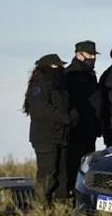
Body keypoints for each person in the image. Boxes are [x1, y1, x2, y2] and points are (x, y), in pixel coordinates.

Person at [23, 53, 75, 206]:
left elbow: (67, 105)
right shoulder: (39, 85)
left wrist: (73, 115)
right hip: (45, 137)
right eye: (55, 66)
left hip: (61, 135)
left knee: (62, 174)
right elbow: (41, 109)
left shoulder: (61, 86)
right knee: (48, 174)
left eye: (60, 66)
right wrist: (65, 117)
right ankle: (41, 208)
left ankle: (59, 208)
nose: (59, 68)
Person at [65, 40, 101, 194]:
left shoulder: (91, 76)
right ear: (78, 54)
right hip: (75, 131)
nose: (92, 58)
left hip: (90, 130)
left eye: (94, 55)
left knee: (86, 167)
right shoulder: (69, 75)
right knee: (72, 166)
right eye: (89, 54)